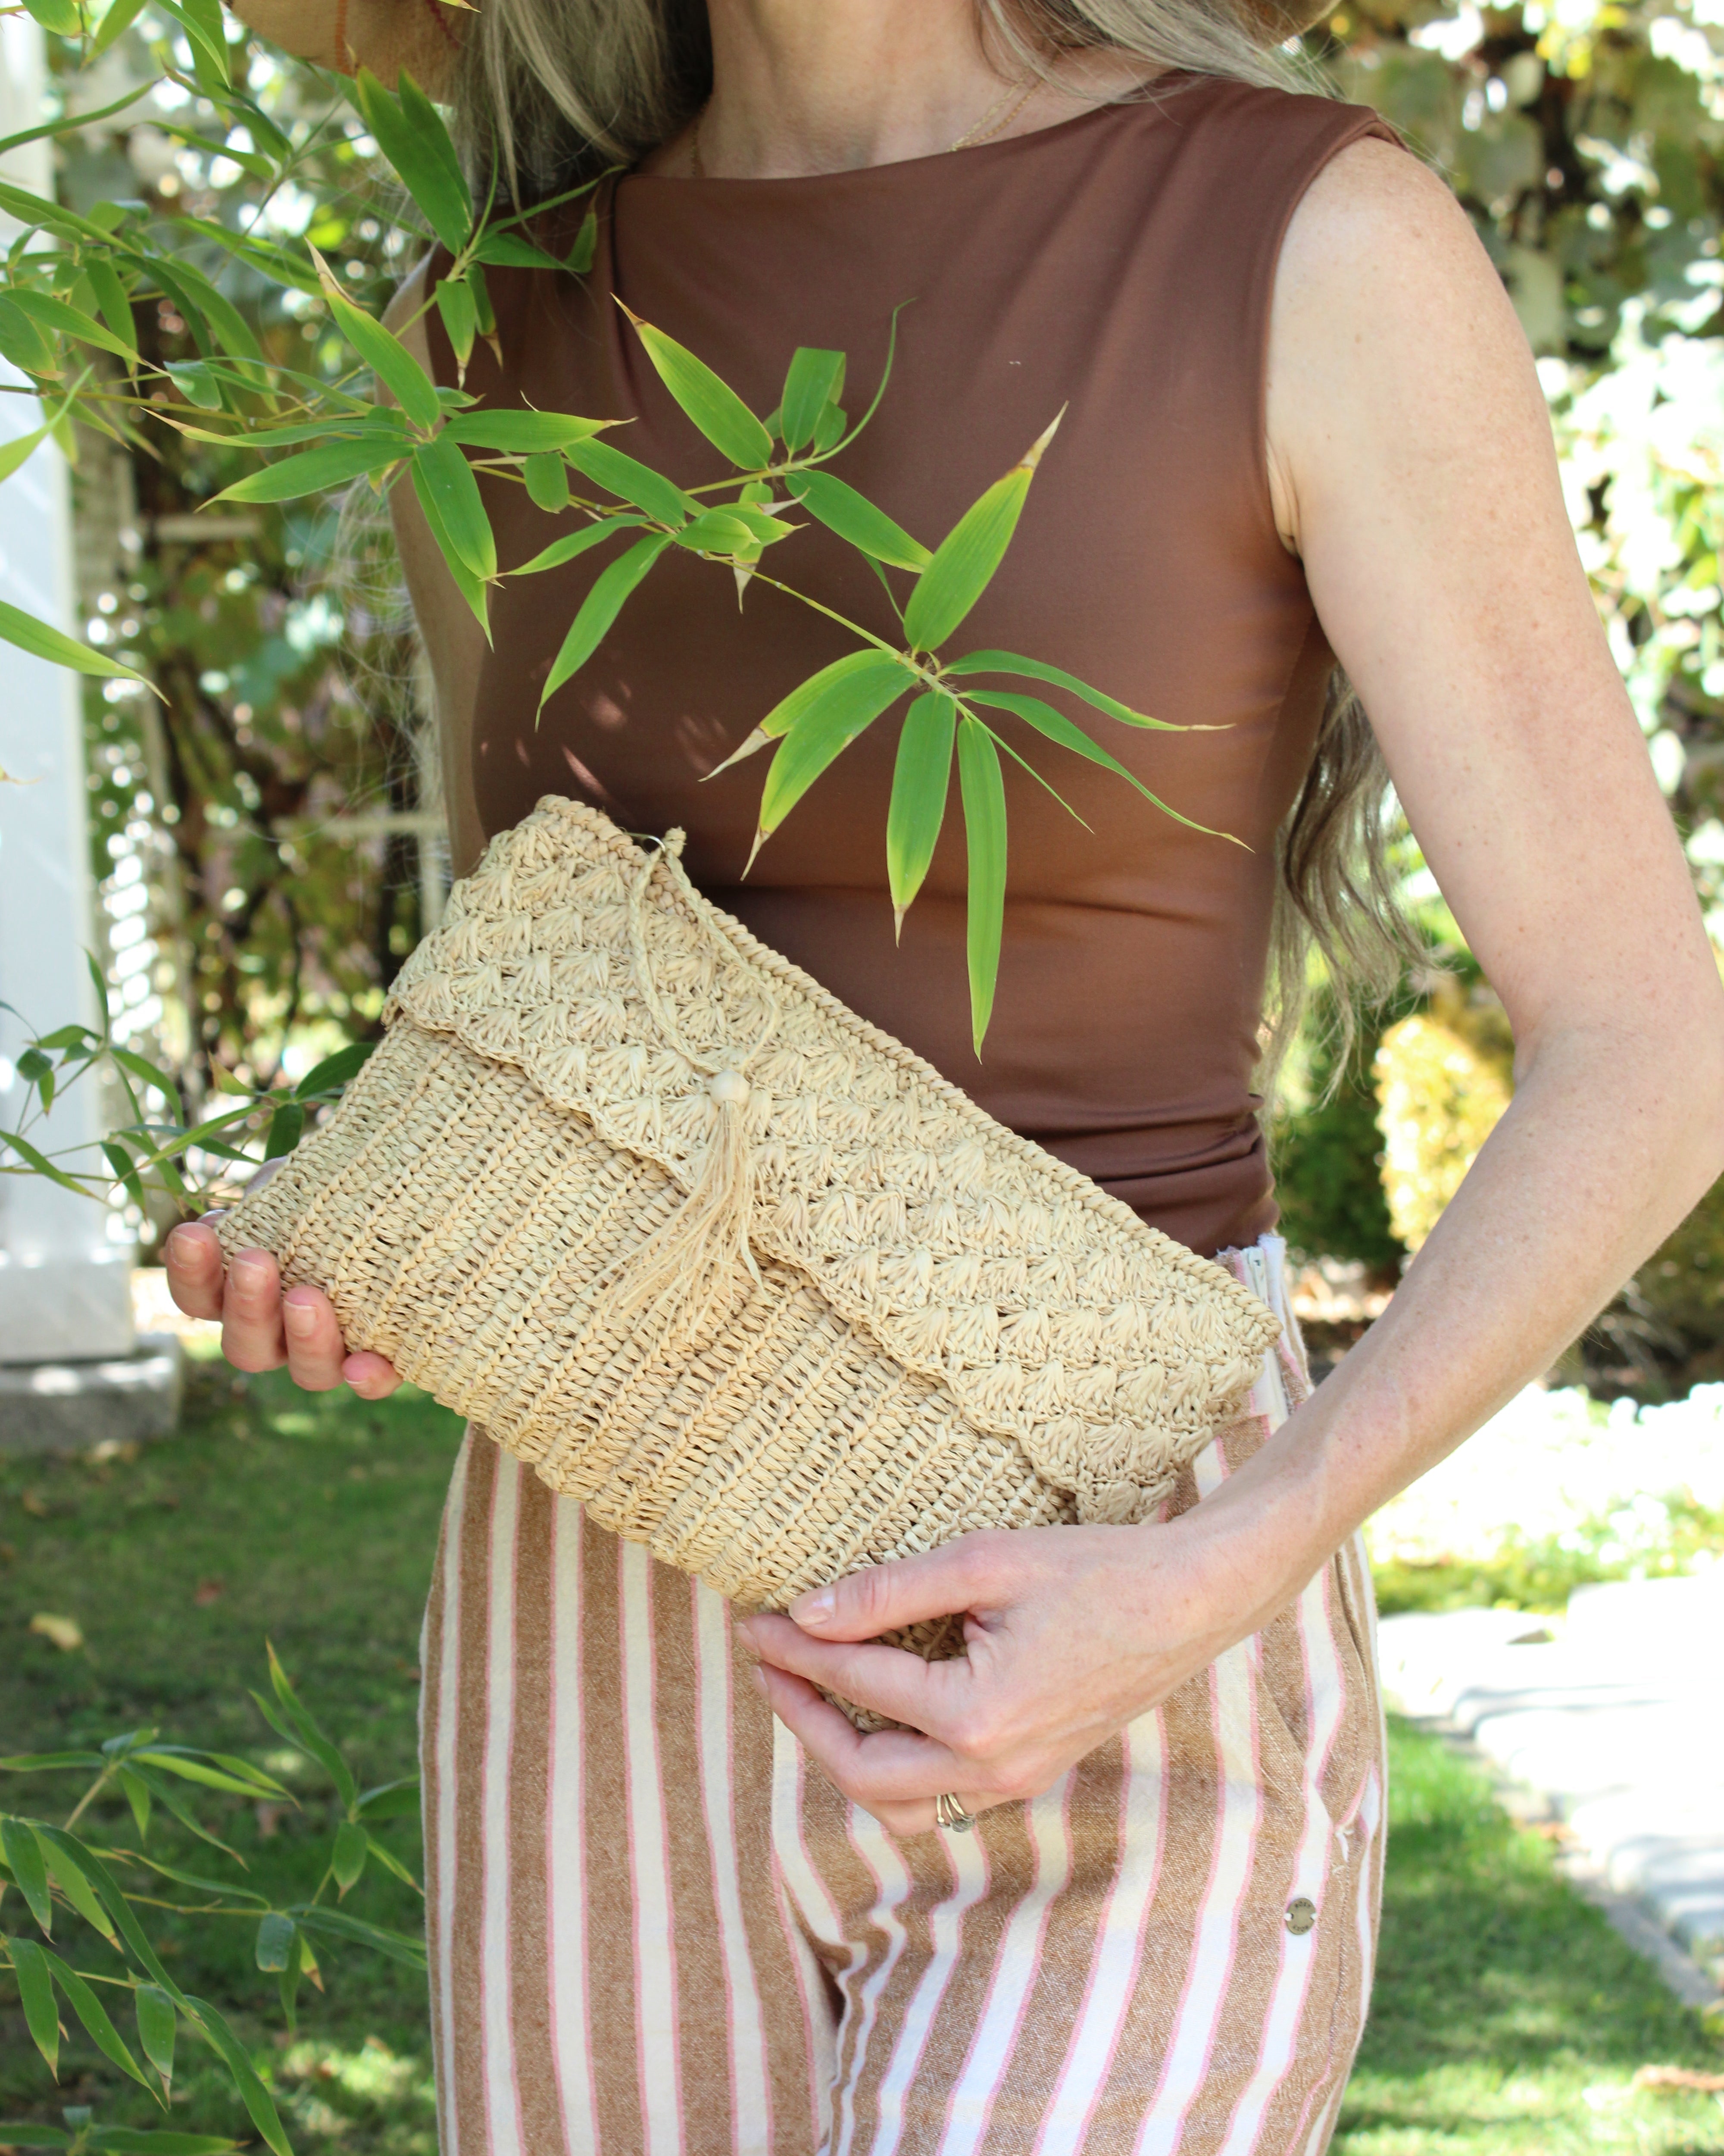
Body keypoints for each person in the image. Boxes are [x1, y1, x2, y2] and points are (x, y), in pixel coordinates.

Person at [167, 0, 1724, 2147]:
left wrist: (1222, 1569)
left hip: (1132, 1560)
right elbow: (529, 983)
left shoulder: (1308, 244)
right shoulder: (483, 329)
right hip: (586, 1598)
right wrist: (384, 1257)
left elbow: (1650, 1047)